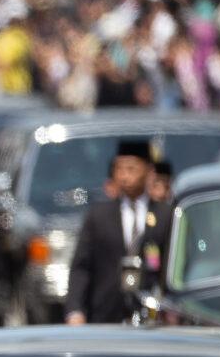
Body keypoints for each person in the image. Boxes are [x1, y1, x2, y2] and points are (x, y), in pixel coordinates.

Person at [64, 138, 168, 325]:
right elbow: (81, 267)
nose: (124, 177)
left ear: (149, 171)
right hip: (105, 315)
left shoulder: (164, 214)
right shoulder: (99, 216)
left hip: (152, 316)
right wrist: (75, 310)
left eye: (131, 169)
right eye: (119, 170)